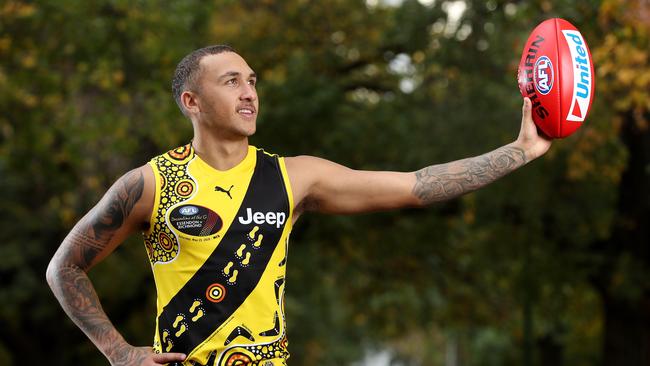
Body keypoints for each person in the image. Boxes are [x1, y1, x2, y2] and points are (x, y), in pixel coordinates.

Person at [46, 45, 551, 366]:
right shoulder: (150, 184)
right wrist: (119, 354)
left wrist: (519, 151)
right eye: (232, 82)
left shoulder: (294, 176)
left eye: (252, 81)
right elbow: (64, 268)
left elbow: (416, 185)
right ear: (191, 102)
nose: (249, 94)